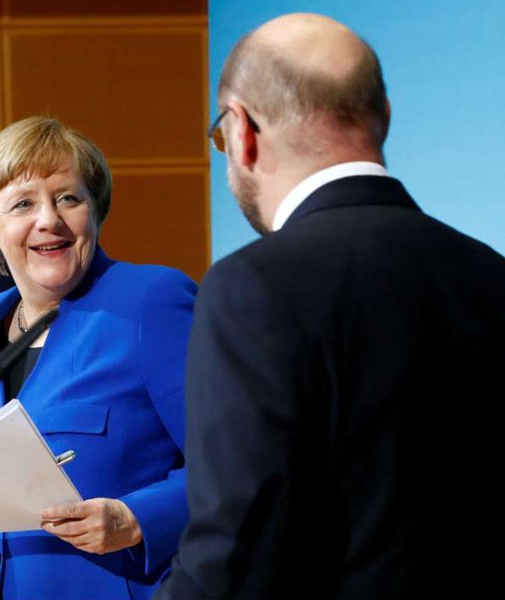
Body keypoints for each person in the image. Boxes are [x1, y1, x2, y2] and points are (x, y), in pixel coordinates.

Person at [158, 13, 505, 599]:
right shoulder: (490, 272)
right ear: (385, 117)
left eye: (220, 138)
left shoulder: (251, 287)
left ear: (241, 131)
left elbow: (237, 556)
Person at [0, 116, 196, 599]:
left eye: (69, 198)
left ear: (95, 211)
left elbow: (238, 467)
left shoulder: (149, 301)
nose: (49, 219)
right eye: (23, 204)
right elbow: (11, 492)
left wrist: (136, 519)